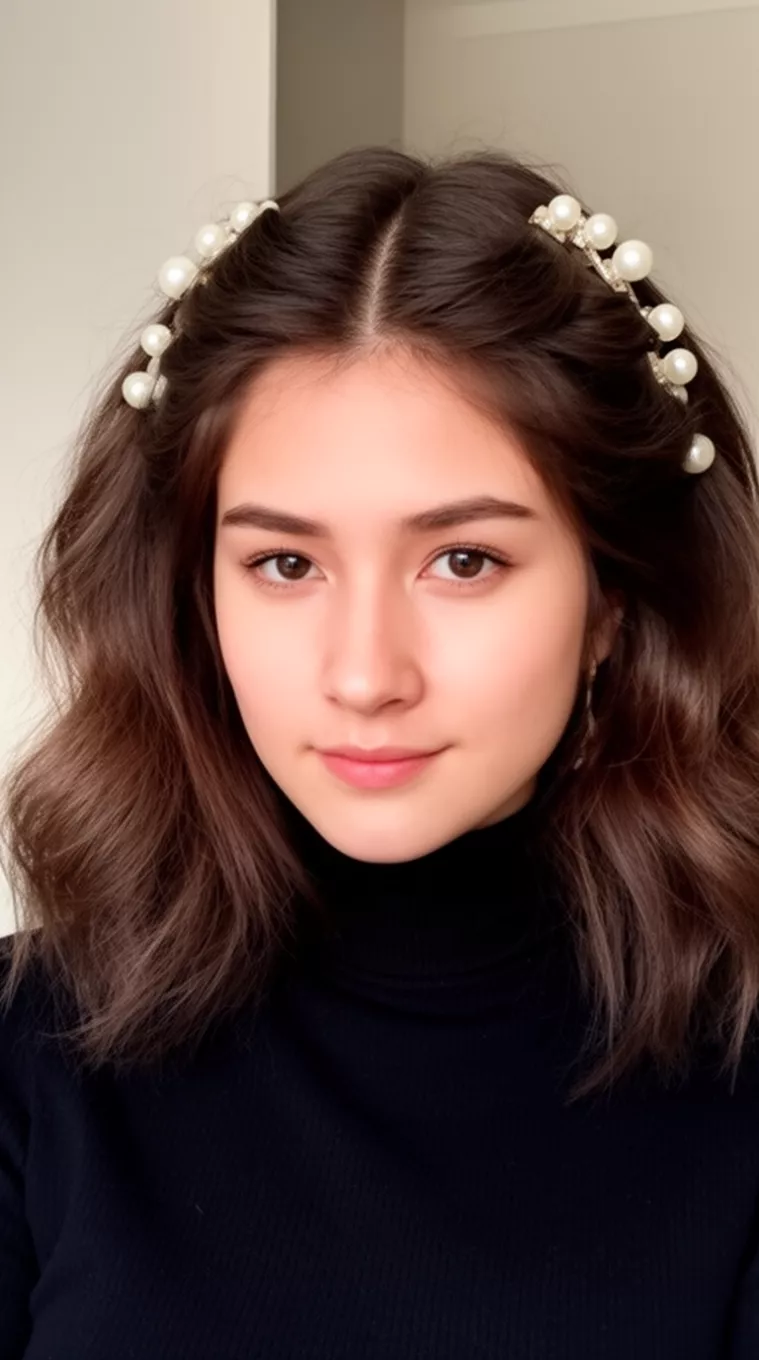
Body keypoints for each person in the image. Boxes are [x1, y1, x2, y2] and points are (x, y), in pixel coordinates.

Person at [1, 143, 758, 1359]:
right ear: (198, 598)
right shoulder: (30, 1052)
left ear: (614, 602)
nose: (365, 674)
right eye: (284, 564)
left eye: (464, 560)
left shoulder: (740, 1076)